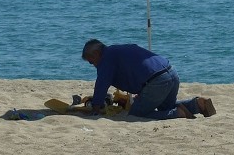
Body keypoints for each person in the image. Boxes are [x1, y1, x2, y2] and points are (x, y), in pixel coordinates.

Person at [81, 39, 216, 120]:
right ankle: (198, 104)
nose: (92, 65)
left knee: (136, 113)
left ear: (97, 53)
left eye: (91, 61)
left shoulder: (106, 58)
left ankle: (178, 114)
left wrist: (96, 107)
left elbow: (102, 83)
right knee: (165, 106)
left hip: (157, 81)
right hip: (171, 72)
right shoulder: (120, 49)